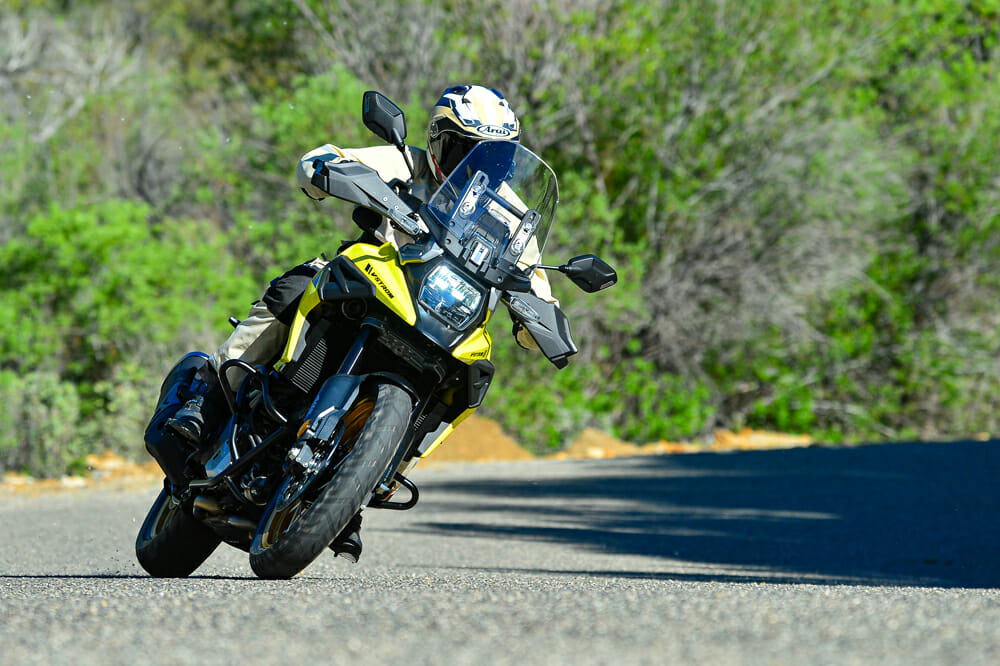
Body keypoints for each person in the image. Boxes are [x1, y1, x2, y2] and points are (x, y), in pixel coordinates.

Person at [166, 84, 553, 561]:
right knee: (297, 285)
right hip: (377, 283)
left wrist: (537, 320)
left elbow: (535, 281)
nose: (479, 165)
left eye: (494, 158)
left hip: (442, 315)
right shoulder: (404, 164)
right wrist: (326, 169)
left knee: (463, 376)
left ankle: (366, 482)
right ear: (437, 141)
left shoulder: (514, 217)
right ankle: (209, 394)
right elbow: (322, 161)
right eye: (467, 149)